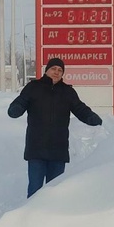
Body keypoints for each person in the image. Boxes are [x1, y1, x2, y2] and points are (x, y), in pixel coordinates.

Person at [8, 57, 103, 198]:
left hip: (58, 151)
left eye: (60, 70)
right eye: (53, 69)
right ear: (47, 70)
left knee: (54, 193)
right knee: (35, 190)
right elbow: (21, 101)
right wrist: (15, 108)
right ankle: (31, 217)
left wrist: (91, 117)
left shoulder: (68, 92)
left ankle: (51, 219)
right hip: (36, 149)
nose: (56, 72)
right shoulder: (33, 87)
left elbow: (80, 109)